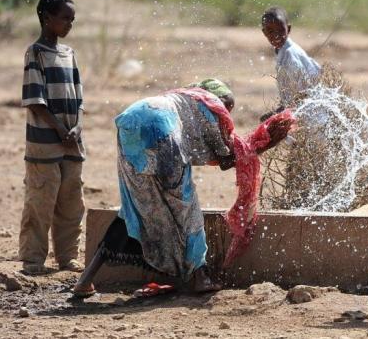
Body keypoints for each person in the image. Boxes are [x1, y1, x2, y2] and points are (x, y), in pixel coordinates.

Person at [73, 79, 292, 297]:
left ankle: (85, 281)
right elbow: (226, 158)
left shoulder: (181, 98)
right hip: (163, 133)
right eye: (228, 107)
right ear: (218, 98)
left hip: (131, 123)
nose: (227, 115)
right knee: (186, 207)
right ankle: (200, 277)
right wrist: (265, 142)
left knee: (133, 206)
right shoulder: (211, 104)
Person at [19, 0, 86, 275]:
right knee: (41, 200)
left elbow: (79, 98)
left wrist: (76, 127)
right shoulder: (35, 53)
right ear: (47, 18)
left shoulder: (69, 54)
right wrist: (60, 130)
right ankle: (33, 260)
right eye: (64, 18)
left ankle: (67, 257)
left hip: (72, 141)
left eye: (72, 19)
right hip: (45, 142)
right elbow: (35, 101)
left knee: (71, 201)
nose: (69, 24)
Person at [260, 6, 321, 121]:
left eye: (280, 30)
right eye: (270, 31)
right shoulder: (282, 50)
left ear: (288, 29)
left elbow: (302, 96)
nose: (276, 35)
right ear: (264, 32)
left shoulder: (290, 56)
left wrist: (277, 113)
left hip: (312, 115)